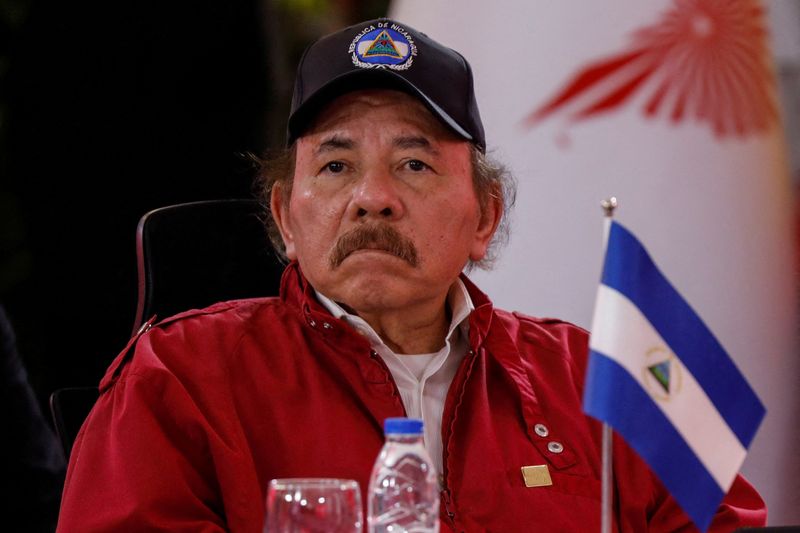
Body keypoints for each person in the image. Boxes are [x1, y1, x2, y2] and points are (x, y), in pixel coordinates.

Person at [57, 18, 766, 532]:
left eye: (414, 164)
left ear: (485, 216)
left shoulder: (602, 375)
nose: (372, 196)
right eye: (336, 166)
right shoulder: (179, 379)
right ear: (283, 218)